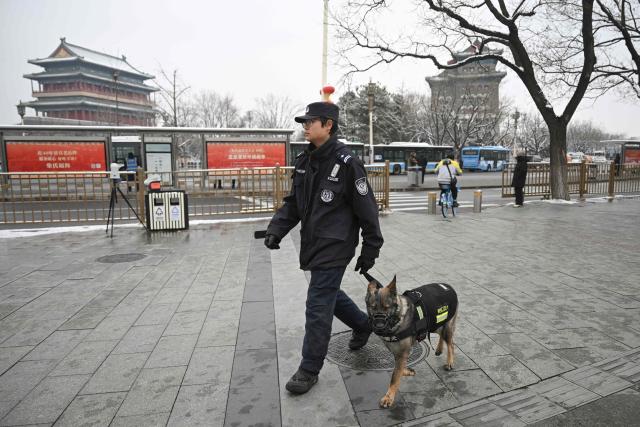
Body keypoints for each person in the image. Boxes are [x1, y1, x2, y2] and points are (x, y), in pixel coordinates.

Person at [264, 101, 384, 395]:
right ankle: (362, 324)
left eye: (310, 122)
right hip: (314, 243)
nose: (305, 127)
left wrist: (370, 248)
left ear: (328, 125)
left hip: (336, 244)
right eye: (304, 122)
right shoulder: (306, 161)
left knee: (317, 303)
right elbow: (294, 202)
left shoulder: (347, 163)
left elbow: (367, 210)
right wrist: (276, 229)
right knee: (327, 292)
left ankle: (309, 368)